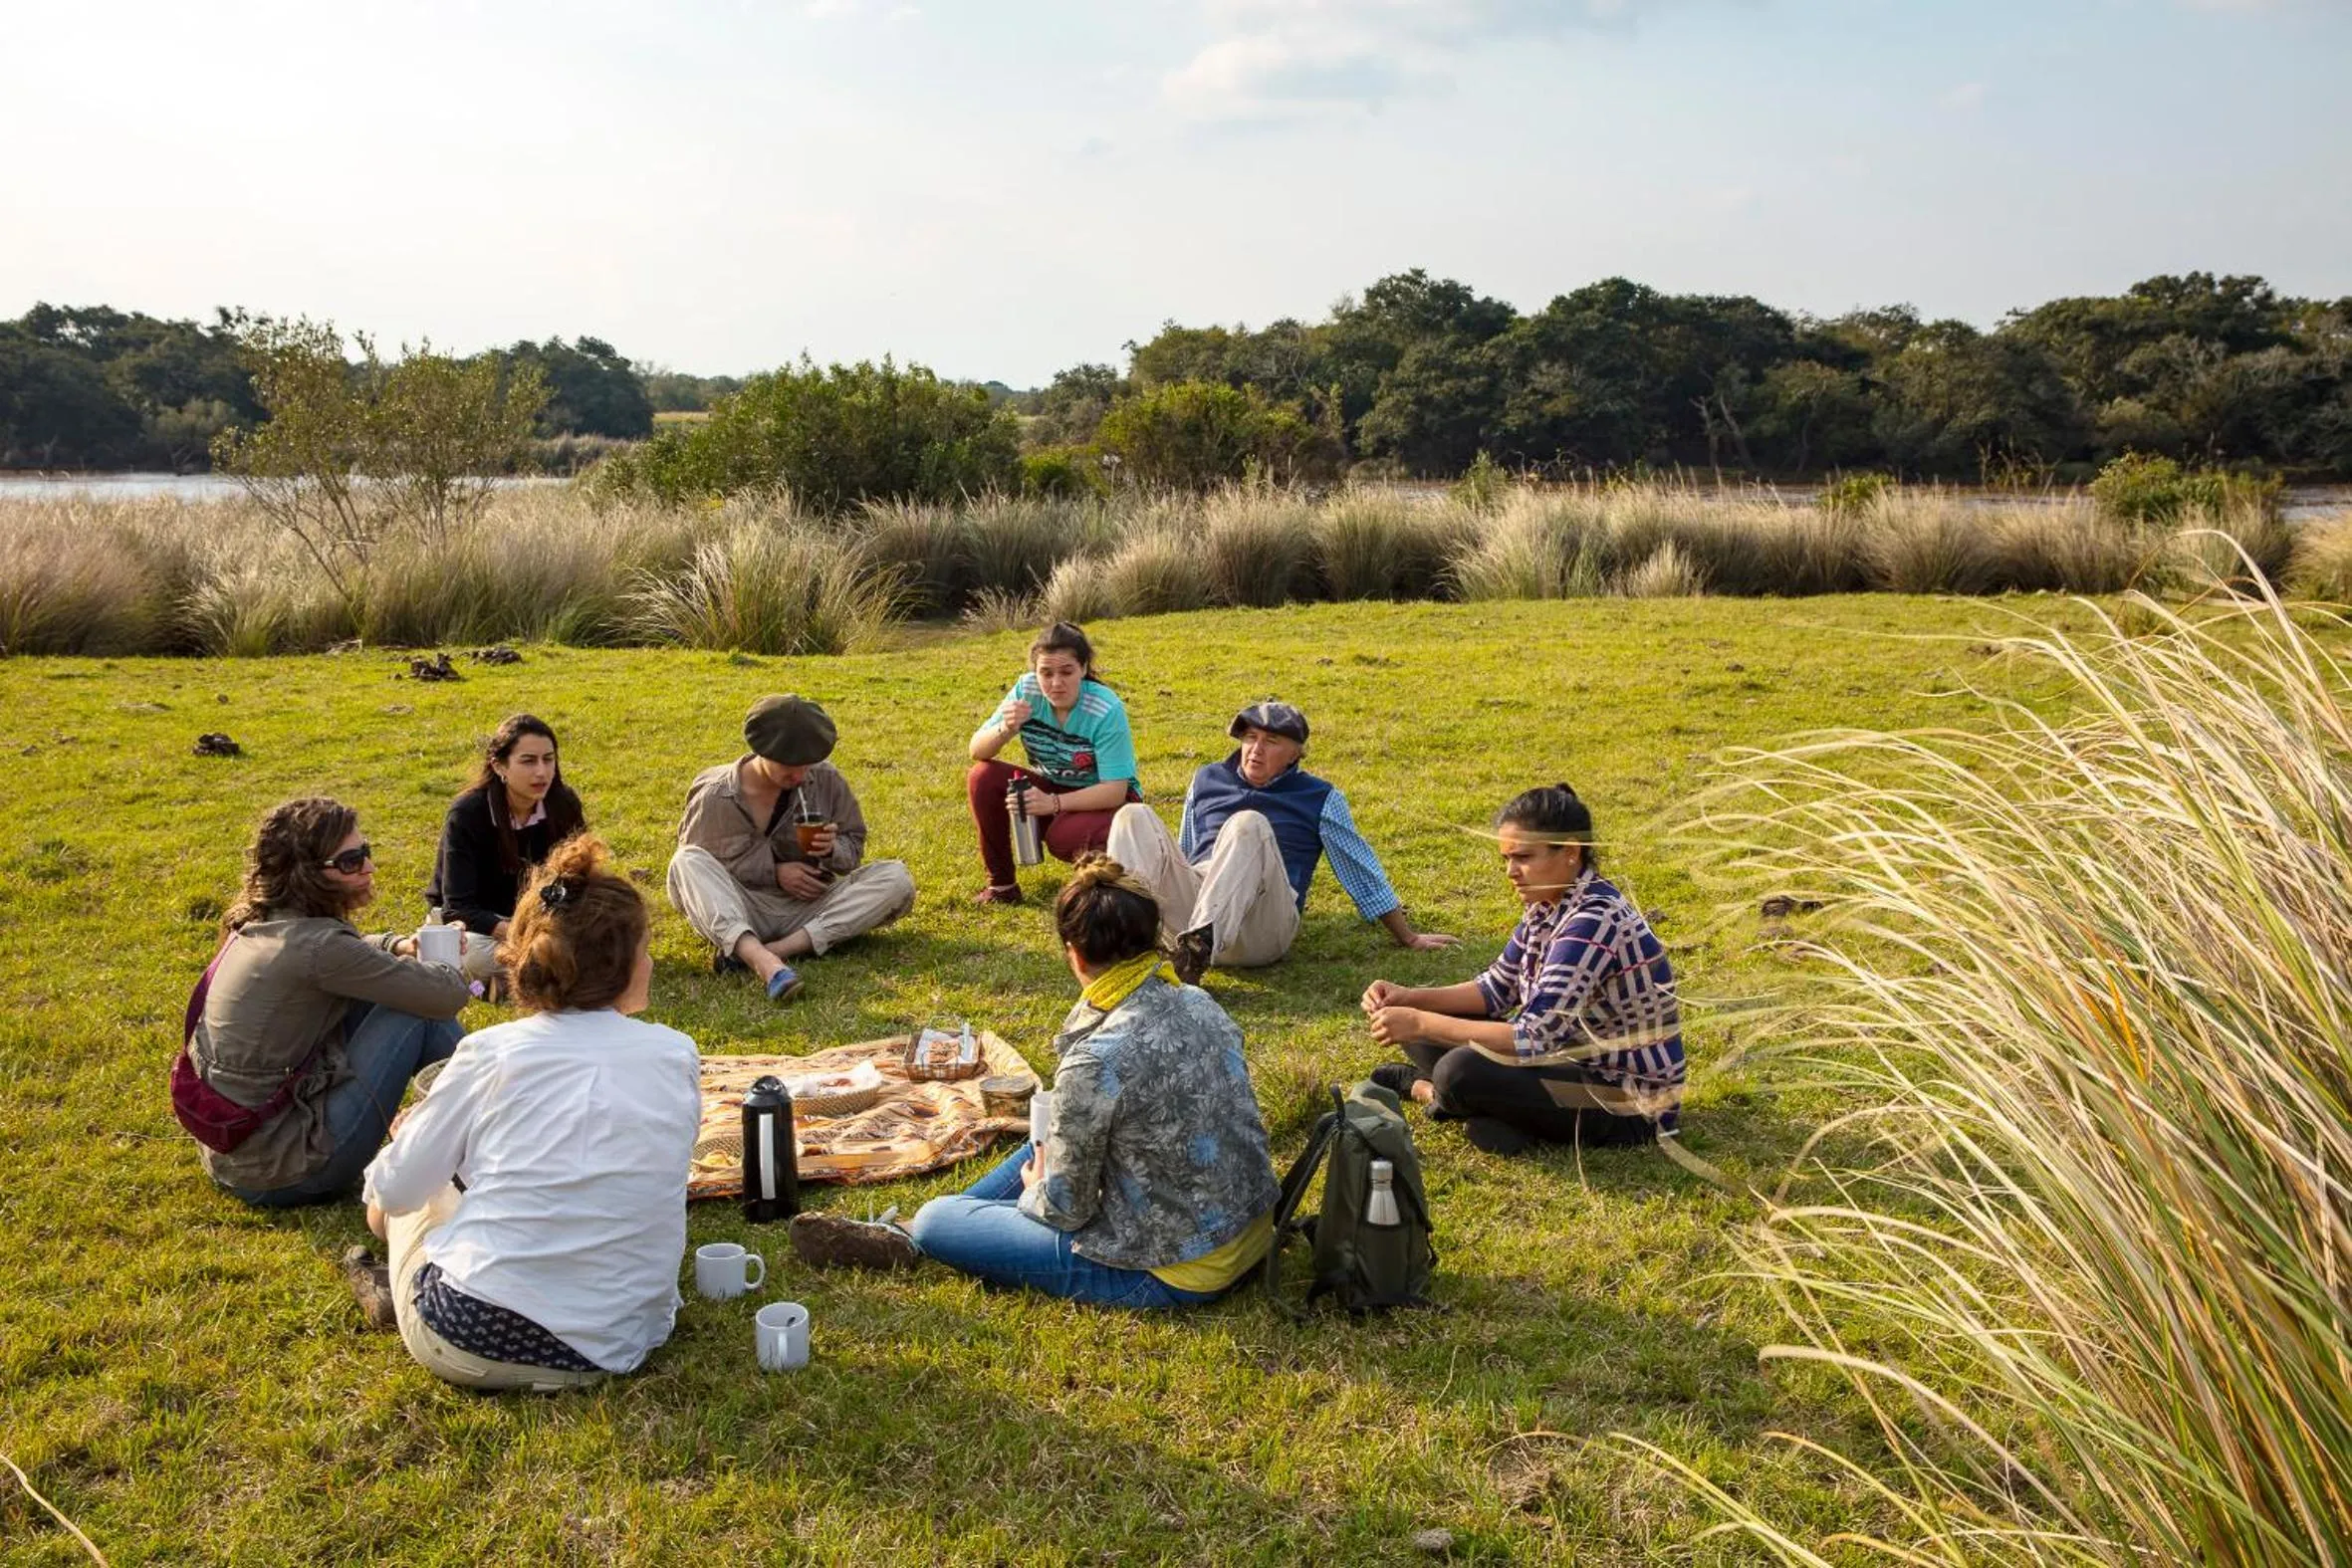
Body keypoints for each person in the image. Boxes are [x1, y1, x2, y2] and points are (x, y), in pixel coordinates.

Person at [790, 856, 1281, 1310]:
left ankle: (919, 1230)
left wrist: (1035, 1190)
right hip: (1251, 1230)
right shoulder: (1197, 1002)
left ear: (1074, 955)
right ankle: (912, 1230)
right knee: (1044, 1138)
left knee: (942, 1218)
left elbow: (1068, 1212)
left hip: (1173, 1268)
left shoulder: (1094, 1059)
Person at [361, 835, 702, 1391]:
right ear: (622, 966)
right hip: (622, 1338)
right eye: (646, 948)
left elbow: (396, 1191)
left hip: (475, 1337)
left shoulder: (490, 1053)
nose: (653, 960)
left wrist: (410, 1145)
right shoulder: (676, 1053)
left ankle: (398, 1279)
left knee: (399, 1193)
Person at [1360, 784, 1684, 1156]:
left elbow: (1536, 1038)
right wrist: (1409, 998)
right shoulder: (1548, 903)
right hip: (1563, 1064)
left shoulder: (1594, 919)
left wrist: (1418, 1021)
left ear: (1571, 853)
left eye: (1524, 857)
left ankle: (1432, 1092)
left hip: (1626, 1104)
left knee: (1457, 1070)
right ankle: (1495, 1113)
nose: (1512, 872)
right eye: (1506, 859)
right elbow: (1496, 989)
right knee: (1429, 1027)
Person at [184, 797, 472, 1208]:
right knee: (417, 1015)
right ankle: (504, 1126)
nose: (369, 868)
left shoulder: (264, 921)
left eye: (365, 853)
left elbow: (350, 955)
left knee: (396, 998)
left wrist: (399, 946)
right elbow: (445, 995)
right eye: (351, 861)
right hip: (285, 1169)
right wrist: (444, 961)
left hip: (239, 1153)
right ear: (307, 875)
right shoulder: (320, 949)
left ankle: (493, 1120)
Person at [1105, 698, 1457, 982]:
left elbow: (1359, 868)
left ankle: (1198, 949)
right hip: (1200, 898)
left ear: (1295, 754)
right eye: (1250, 738)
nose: (1256, 749)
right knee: (1131, 816)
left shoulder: (1319, 796)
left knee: (1249, 824)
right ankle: (1125, 945)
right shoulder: (1207, 779)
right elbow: (1187, 850)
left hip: (1263, 923)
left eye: (1271, 741)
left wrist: (1406, 936)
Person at [666, 693, 915, 1003]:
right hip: (740, 907)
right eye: (788, 766)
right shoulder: (715, 794)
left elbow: (852, 849)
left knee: (896, 878)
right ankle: (764, 963)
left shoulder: (826, 780)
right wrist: (775, 872)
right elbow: (697, 878)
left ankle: (774, 952)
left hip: (808, 909)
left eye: (807, 766)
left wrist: (831, 849)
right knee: (685, 861)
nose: (799, 776)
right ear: (761, 751)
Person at [965, 621, 1141, 905]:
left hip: (1106, 801)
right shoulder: (1027, 691)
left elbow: (1115, 790)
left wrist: (1053, 803)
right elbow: (977, 749)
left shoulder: (1105, 709)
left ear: (1083, 669)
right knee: (982, 777)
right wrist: (1007, 729)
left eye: (1066, 672)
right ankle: (1002, 886)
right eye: (1046, 673)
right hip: (1051, 784)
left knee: (1062, 838)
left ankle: (1113, 877)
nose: (1055, 683)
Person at [424, 714, 586, 939]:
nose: (541, 772)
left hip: (538, 917)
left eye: (548, 759)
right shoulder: (468, 814)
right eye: (528, 761)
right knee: (477, 954)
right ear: (499, 766)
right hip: (473, 927)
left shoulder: (564, 805)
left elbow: (580, 878)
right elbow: (458, 909)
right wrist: (524, 936)